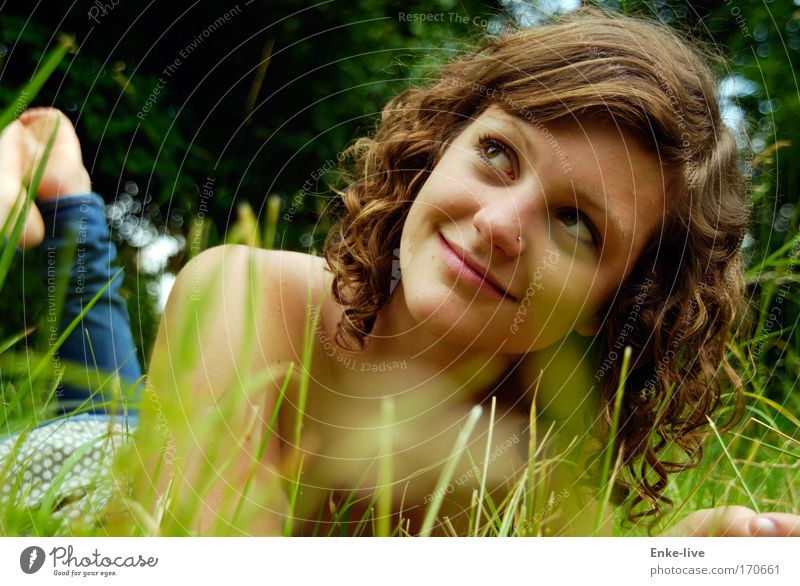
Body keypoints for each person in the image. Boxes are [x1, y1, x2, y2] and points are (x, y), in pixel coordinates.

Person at [1, 8, 798, 536]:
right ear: (437, 152)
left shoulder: (539, 474)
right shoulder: (250, 292)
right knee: (101, 408)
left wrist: (659, 566)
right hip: (84, 471)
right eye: (497, 153)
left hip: (168, 431)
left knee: (116, 383)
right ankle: (63, 195)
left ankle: (68, 197)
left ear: (616, 301)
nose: (495, 225)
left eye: (576, 223)